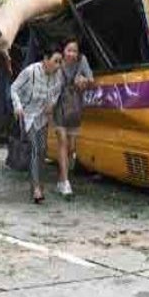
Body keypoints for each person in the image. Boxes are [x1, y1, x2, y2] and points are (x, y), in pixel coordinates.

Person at [10, 44, 63, 203]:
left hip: (42, 115)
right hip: (28, 115)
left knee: (43, 150)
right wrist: (18, 107)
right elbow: (13, 88)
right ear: (46, 60)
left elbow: (57, 91)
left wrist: (52, 103)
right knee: (35, 147)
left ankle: (38, 183)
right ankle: (36, 189)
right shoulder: (30, 71)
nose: (58, 65)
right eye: (55, 61)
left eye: (60, 61)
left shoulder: (58, 74)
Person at [52, 38, 94, 199]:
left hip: (75, 107)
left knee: (71, 146)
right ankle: (65, 182)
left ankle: (62, 178)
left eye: (74, 51)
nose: (71, 54)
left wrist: (84, 81)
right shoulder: (58, 62)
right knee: (62, 141)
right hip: (58, 106)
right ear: (63, 51)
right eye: (68, 50)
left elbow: (91, 80)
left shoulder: (82, 61)